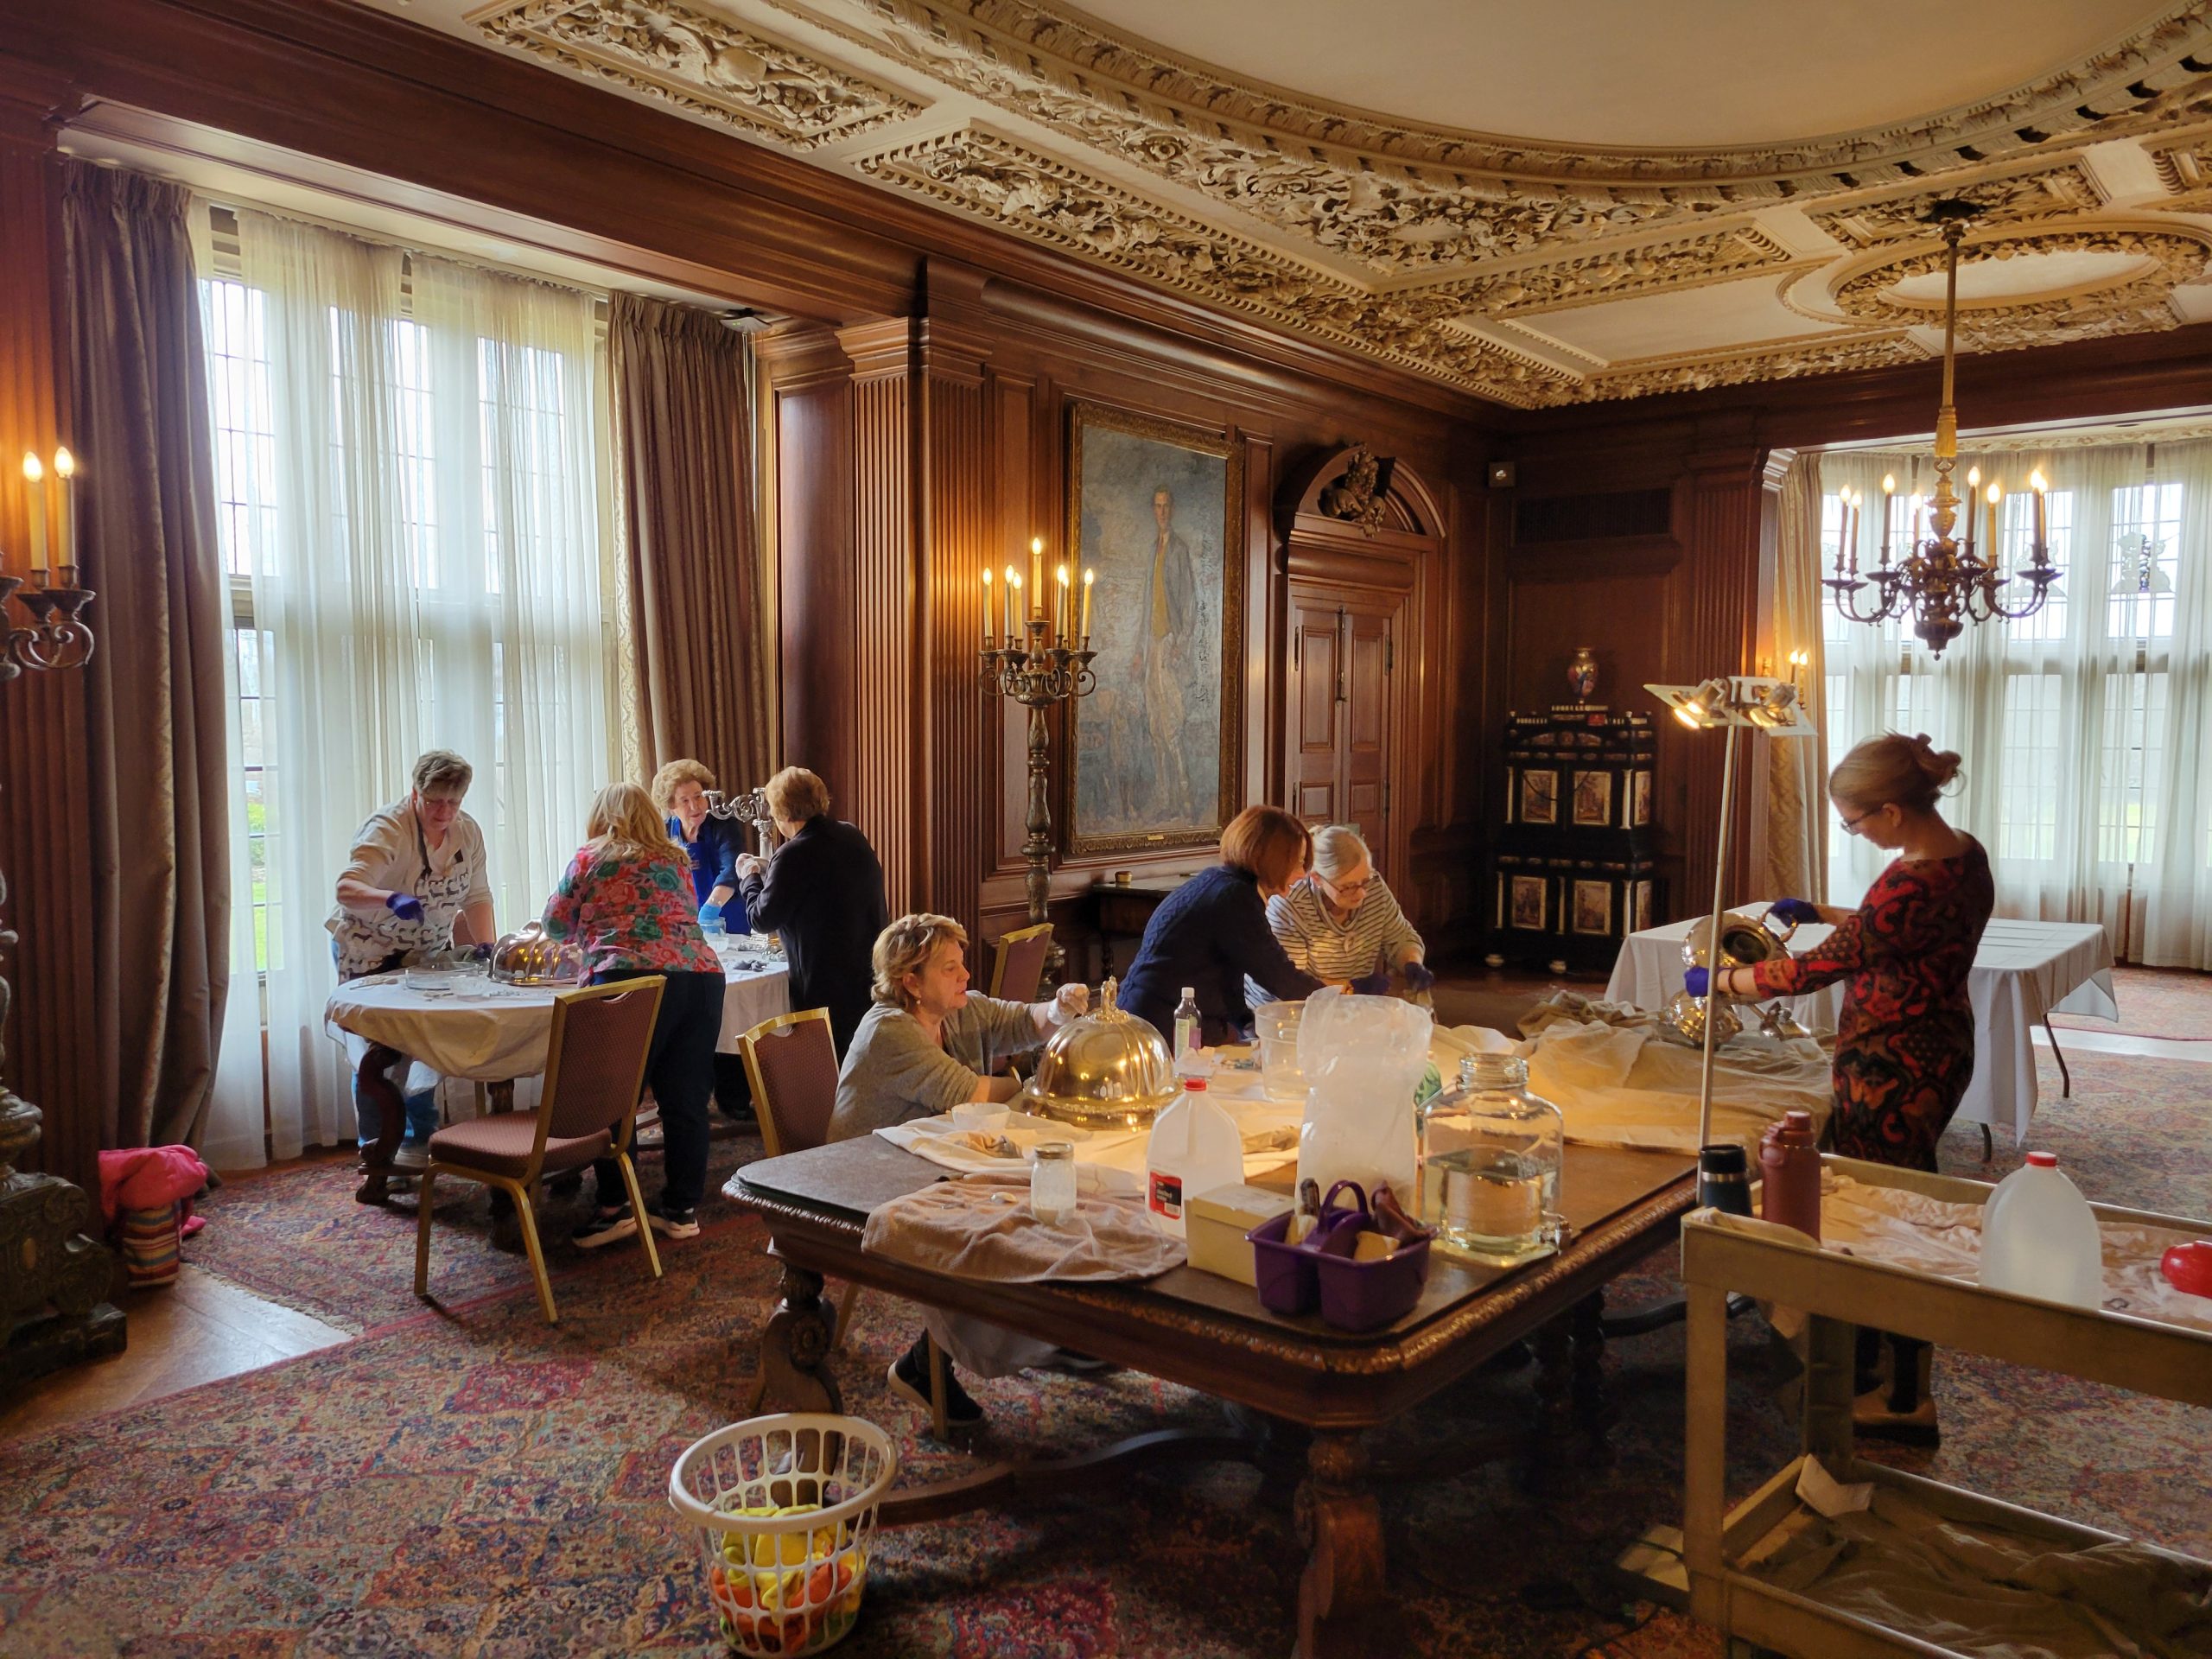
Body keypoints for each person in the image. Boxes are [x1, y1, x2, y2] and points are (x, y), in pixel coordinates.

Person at [1690, 732, 1993, 1446]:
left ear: (1892, 811)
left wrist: (1722, 982)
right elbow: (1897, 934)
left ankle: (1900, 1395)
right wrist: (1823, 913)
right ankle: (1875, 1359)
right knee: (1907, 1197)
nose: (1854, 833)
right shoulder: (1963, 855)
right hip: (1942, 1047)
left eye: (1855, 822)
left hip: (1888, 1067)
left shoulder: (1906, 883)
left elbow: (1808, 974)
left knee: (1885, 1215)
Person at [828, 912, 1090, 1426]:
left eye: (962, 965)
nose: (965, 976)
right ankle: (961, 1353)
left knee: (1024, 1198)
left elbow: (1023, 1019)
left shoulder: (956, 1011)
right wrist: (1047, 1084)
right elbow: (969, 1092)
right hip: (867, 1176)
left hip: (930, 1164)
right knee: (1001, 1213)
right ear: (911, 982)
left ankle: (1007, 1338)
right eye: (950, 969)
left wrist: (1058, 1009)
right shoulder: (889, 1031)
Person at [542, 781, 725, 1248]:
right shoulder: (676, 857)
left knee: (613, 1097)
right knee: (685, 1100)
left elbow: (555, 924)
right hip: (700, 976)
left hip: (629, 978)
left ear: (601, 818)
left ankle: (615, 1206)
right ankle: (681, 1209)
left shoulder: (592, 856)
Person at [329, 749, 497, 1174]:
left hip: (425, 952)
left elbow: (477, 895)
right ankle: (378, 1152)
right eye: (434, 801)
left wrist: (488, 946)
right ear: (415, 793)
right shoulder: (387, 829)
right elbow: (347, 888)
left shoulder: (467, 832)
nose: (444, 812)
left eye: (453, 803)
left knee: (421, 1044)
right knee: (377, 1051)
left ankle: (420, 1144)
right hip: (371, 950)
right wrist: (388, 898)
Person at [1116, 804, 1334, 1046]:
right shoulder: (1235, 898)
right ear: (1273, 859)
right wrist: (1336, 1004)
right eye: (1298, 862)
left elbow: (1231, 974)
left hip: (1162, 1019)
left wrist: (1245, 1024)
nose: (1302, 874)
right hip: (1160, 1026)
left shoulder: (1221, 882)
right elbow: (1278, 974)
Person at [735, 767, 887, 1057]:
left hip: (824, 980)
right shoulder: (851, 834)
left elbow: (762, 918)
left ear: (781, 812)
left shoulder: (794, 853)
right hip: (867, 970)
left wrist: (750, 877)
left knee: (828, 1060)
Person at [1262, 824, 1432, 1002]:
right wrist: (1353, 987)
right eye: (1348, 887)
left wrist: (1412, 962)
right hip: (1286, 1009)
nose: (1361, 894)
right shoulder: (1290, 904)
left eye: (1365, 881)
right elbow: (1293, 985)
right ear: (1317, 878)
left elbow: (1400, 938)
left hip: (1348, 1004)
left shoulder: (1374, 887)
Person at [652, 757, 750, 935]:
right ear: (671, 806)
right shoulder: (665, 832)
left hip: (729, 919)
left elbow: (732, 869)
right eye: (685, 801)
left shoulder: (723, 824)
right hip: (686, 923)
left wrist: (711, 909)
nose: (695, 806)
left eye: (698, 797)